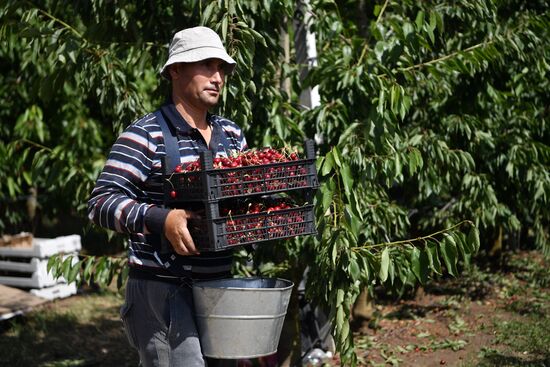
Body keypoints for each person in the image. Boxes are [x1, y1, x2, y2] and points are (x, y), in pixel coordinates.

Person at [88, 26, 247, 367]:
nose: (217, 77)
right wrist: (163, 219)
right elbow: (101, 202)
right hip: (164, 290)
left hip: (219, 286)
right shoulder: (145, 135)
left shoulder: (232, 136)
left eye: (222, 68)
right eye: (206, 65)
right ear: (176, 70)